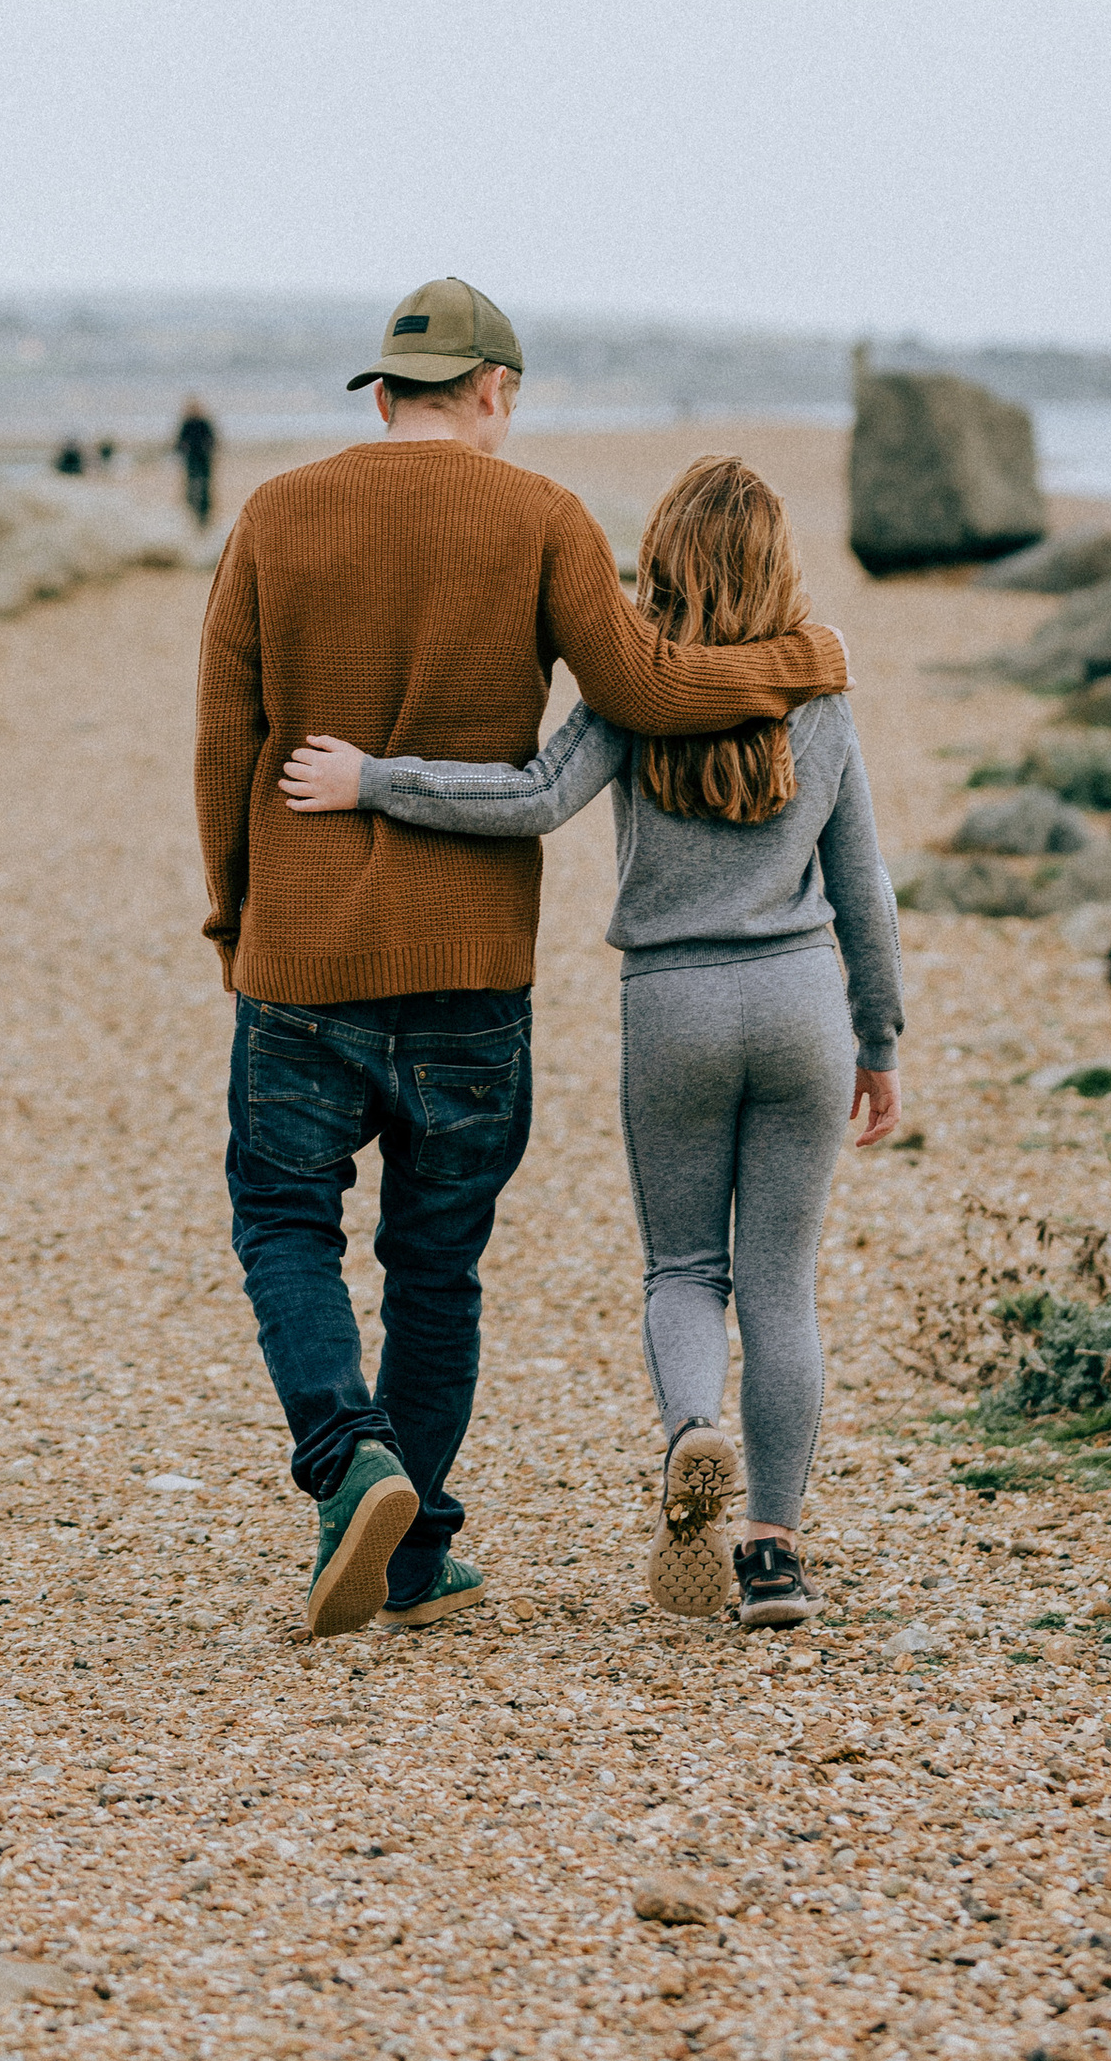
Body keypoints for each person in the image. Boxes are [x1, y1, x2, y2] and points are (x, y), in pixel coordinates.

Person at [195, 281, 850, 1643]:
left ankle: (349, 1457)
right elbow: (650, 690)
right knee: (437, 1262)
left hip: (301, 958)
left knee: (282, 1222)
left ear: (383, 391)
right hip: (469, 966)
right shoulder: (543, 514)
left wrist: (234, 914)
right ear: (495, 387)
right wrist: (799, 659)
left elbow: (225, 740)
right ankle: (418, 1546)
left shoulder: (269, 512)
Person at [174, 399, 217, 531]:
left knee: (204, 488)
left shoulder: (203, 423)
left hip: (203, 460)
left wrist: (207, 447)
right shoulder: (187, 424)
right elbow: (179, 443)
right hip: (192, 460)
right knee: (190, 488)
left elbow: (213, 441)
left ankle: (204, 516)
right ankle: (191, 514)